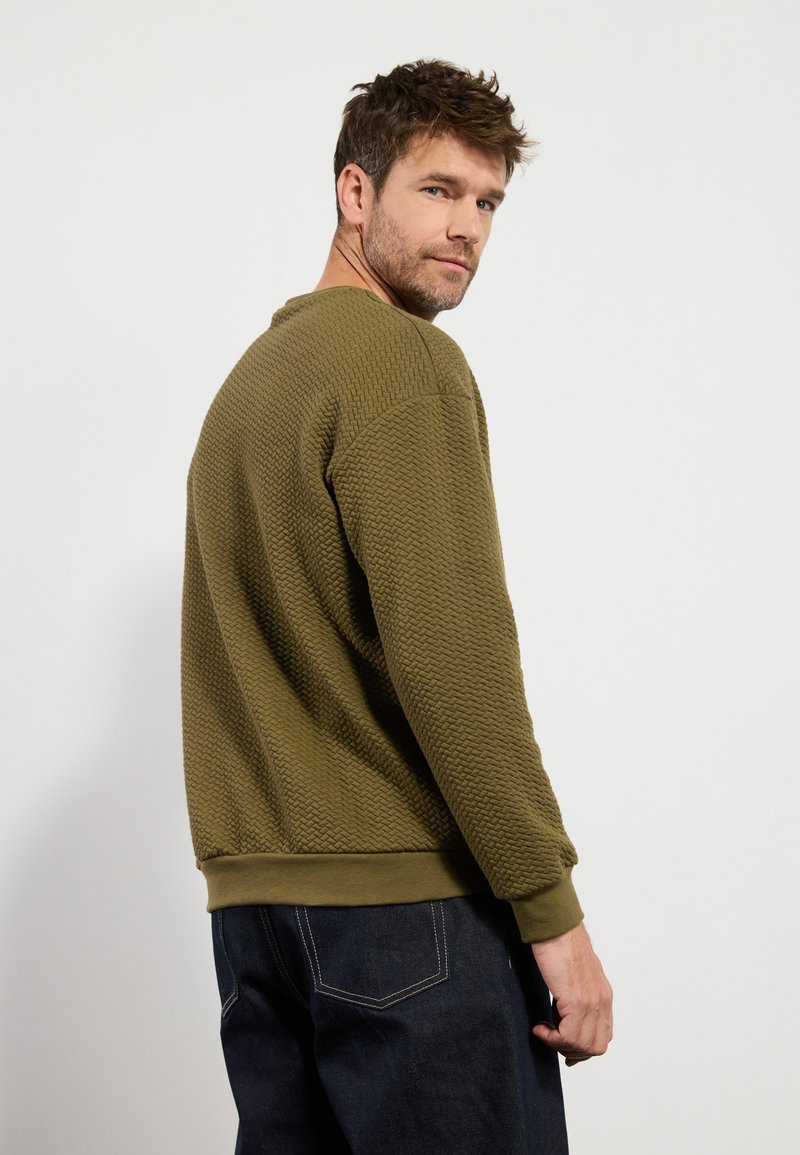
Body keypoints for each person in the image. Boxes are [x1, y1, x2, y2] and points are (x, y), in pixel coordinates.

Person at [181, 58, 613, 1154]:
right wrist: (552, 915)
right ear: (355, 190)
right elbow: (455, 667)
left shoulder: (250, 387)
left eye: (488, 202)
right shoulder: (403, 365)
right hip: (405, 914)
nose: (467, 226)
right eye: (438, 189)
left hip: (256, 923)